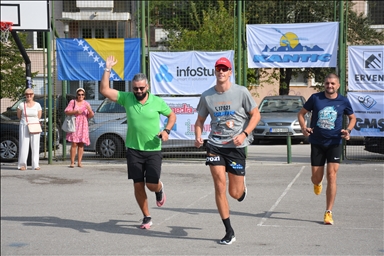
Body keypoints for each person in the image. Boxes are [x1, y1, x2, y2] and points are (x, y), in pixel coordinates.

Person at [100, 55, 176, 229]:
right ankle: (147, 216)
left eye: (141, 88)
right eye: (136, 88)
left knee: (151, 184)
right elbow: (104, 90)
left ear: (147, 86)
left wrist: (166, 130)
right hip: (133, 149)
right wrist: (107, 69)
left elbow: (172, 116)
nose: (139, 91)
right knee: (138, 184)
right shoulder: (127, 98)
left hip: (153, 149)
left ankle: (159, 188)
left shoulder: (157, 101)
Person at [194, 57, 261, 245]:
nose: (221, 72)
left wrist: (245, 134)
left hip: (236, 146)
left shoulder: (241, 92)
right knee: (219, 186)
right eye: (218, 69)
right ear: (215, 72)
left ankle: (242, 189)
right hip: (215, 145)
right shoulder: (207, 96)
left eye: (225, 69)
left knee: (235, 193)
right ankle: (229, 231)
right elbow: (199, 121)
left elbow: (256, 115)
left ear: (230, 72)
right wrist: (198, 136)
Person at [297, 73, 356, 225]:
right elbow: (301, 114)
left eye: (332, 84)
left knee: (332, 175)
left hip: (334, 143)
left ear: (338, 85)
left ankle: (328, 212)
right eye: (327, 83)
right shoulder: (316, 98)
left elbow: (352, 117)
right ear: (324, 84)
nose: (329, 86)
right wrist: (304, 128)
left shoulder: (343, 101)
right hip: (317, 142)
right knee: (317, 178)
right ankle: (317, 183)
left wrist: (348, 131)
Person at [64, 88, 94, 168]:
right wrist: (76, 112)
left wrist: (90, 111)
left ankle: (79, 162)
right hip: (75, 124)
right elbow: (66, 111)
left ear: (84, 95)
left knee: (81, 144)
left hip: (83, 125)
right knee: (74, 143)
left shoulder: (86, 104)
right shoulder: (72, 102)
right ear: (76, 95)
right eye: (79, 94)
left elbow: (90, 116)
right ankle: (72, 162)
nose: (80, 96)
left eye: (82, 94)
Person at [17, 88, 42, 171]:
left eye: (31, 94)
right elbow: (19, 116)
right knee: (23, 144)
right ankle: (22, 165)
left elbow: (39, 115)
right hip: (24, 125)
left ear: (33, 95)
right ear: (25, 95)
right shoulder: (21, 105)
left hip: (34, 125)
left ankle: (35, 165)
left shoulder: (37, 105)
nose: (29, 96)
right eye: (27, 94)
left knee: (35, 145)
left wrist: (33, 121)